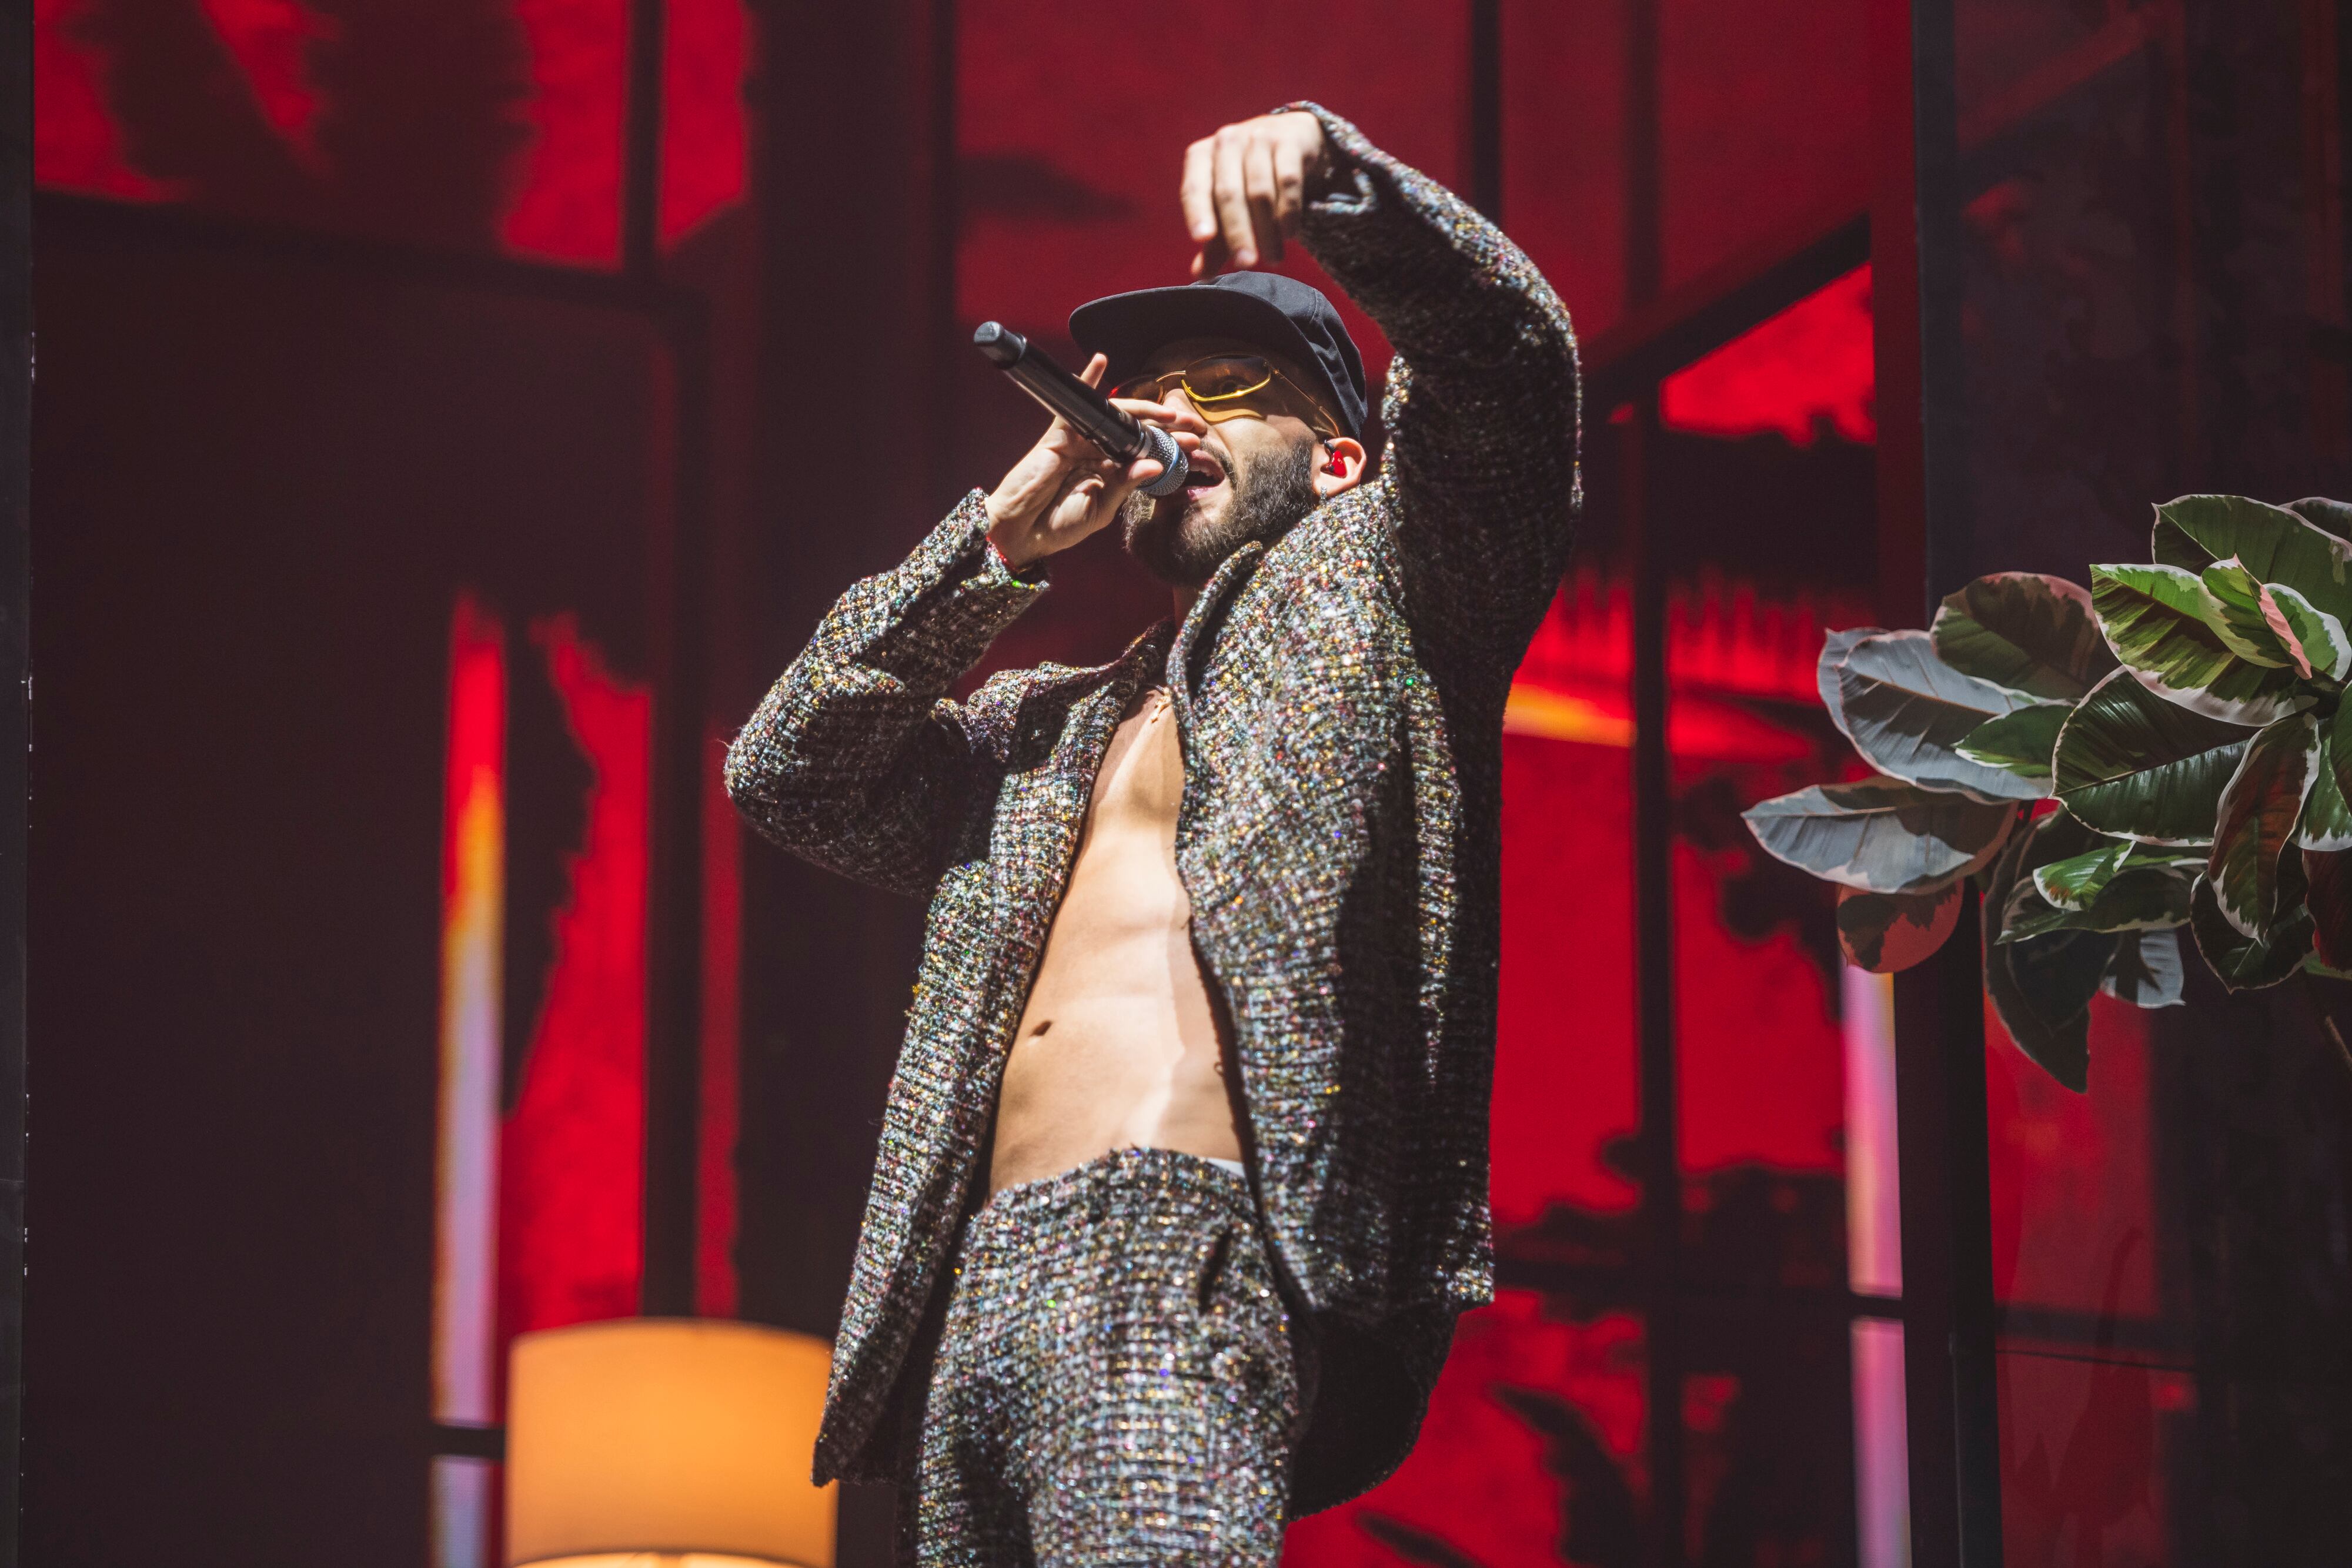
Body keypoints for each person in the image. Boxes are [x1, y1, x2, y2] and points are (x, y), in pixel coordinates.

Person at [727, 101, 1579, 1566]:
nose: (1166, 410)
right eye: (1154, 384)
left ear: (1335, 461)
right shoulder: (1038, 728)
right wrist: (990, 547)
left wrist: (1341, 180)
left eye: (1227, 386)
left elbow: (1508, 370)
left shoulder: (1388, 592)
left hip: (1172, 1238)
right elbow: (788, 773)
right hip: (970, 1296)